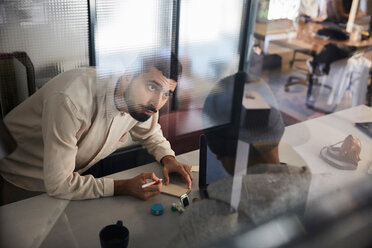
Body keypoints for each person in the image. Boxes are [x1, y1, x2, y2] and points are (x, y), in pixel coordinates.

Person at [0, 52, 193, 205]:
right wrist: (125, 186)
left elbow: (150, 133)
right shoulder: (71, 99)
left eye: (167, 93)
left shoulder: (144, 103)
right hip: (17, 177)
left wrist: (168, 158)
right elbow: (58, 184)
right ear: (128, 77)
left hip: (62, 179)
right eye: (152, 87)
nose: (158, 103)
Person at [168, 72, 311, 248]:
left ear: (220, 154)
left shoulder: (203, 223)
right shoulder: (316, 192)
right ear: (278, 131)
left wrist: (203, 214)